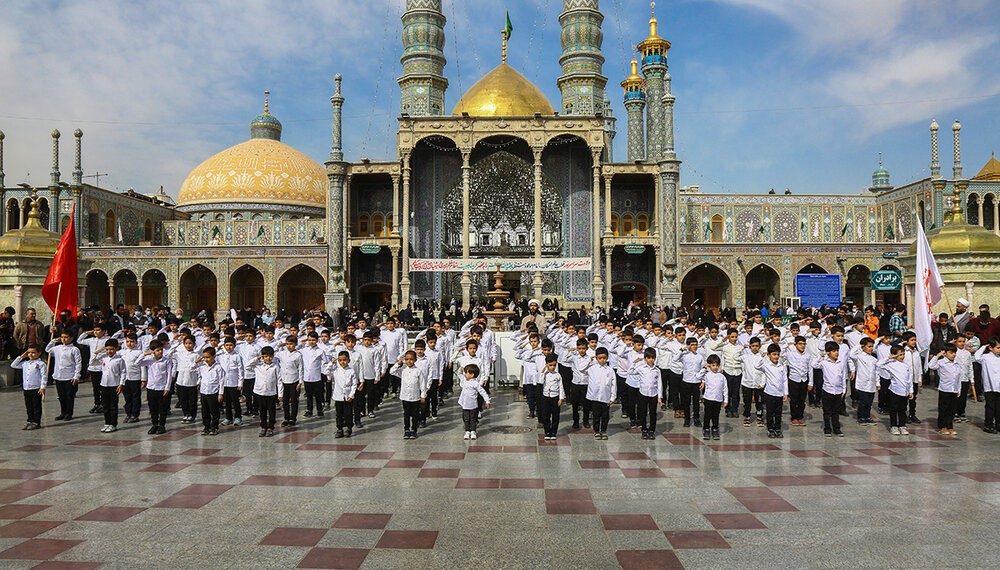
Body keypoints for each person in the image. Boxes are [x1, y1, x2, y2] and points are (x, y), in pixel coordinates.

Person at [811, 341, 851, 437]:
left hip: (838, 391)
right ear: (828, 352)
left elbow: (843, 377)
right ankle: (827, 429)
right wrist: (821, 355)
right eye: (833, 351)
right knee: (827, 411)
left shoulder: (840, 363)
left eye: (837, 350)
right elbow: (813, 364)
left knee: (835, 411)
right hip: (827, 391)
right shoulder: (824, 363)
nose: (836, 353)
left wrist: (844, 390)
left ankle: (836, 428)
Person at [45, 330, 82, 422]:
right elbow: (47, 349)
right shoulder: (58, 348)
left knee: (69, 396)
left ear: (71, 338)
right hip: (59, 375)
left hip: (70, 376)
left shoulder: (74, 349)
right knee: (61, 396)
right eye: (62, 337)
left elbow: (78, 363)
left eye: (66, 337)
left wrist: (77, 375)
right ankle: (63, 412)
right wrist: (53, 341)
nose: (63, 339)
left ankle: (69, 413)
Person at [877, 344, 915, 435]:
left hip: (904, 392)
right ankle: (893, 426)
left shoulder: (906, 366)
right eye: (900, 354)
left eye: (903, 354)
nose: (902, 356)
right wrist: (889, 358)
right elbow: (878, 364)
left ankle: (902, 425)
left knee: (903, 409)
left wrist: (911, 391)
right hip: (894, 391)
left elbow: (909, 379)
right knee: (893, 409)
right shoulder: (890, 364)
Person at [138, 339, 174, 434]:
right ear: (153, 351)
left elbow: (169, 375)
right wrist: (145, 354)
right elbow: (137, 363)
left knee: (162, 408)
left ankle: (162, 425)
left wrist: (167, 387)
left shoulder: (167, 360)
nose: (160, 352)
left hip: (162, 388)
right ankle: (154, 425)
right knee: (152, 408)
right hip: (151, 387)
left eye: (161, 349)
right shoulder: (149, 360)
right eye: (157, 350)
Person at [390, 350, 427, 440]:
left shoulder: (418, 371)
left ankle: (414, 430)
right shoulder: (403, 370)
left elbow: (422, 383)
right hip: (405, 396)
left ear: (415, 360)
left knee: (415, 414)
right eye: (407, 359)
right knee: (406, 414)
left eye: (411, 359)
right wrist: (398, 363)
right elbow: (392, 371)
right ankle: (406, 429)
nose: (409, 361)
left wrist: (423, 395)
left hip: (415, 397)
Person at [11, 344, 46, 430]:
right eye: (29, 352)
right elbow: (13, 365)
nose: (31, 354)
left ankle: (36, 422)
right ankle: (29, 420)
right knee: (28, 406)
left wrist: (42, 387)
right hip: (26, 388)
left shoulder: (40, 364)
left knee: (36, 406)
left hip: (36, 388)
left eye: (33, 352)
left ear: (39, 353)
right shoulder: (25, 363)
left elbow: (44, 376)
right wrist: (22, 356)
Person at [929, 344, 962, 436]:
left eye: (955, 352)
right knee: (943, 409)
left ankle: (949, 426)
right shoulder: (941, 362)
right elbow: (931, 365)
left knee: (951, 410)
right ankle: (942, 426)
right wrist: (938, 355)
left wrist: (959, 389)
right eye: (951, 353)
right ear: (945, 353)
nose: (953, 354)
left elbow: (958, 377)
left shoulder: (956, 363)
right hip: (945, 389)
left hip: (954, 390)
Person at [78, 324, 111, 414]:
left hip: (102, 367)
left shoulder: (107, 340)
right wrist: (86, 332)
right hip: (93, 367)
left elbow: (110, 349)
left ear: (104, 331)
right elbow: (79, 341)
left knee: (102, 387)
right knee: (95, 387)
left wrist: (99, 354)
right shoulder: (92, 340)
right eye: (95, 330)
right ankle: (97, 404)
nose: (96, 332)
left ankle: (104, 404)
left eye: (98, 330)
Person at [674, 337, 705, 428]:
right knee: (686, 402)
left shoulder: (700, 356)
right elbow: (674, 359)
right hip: (686, 381)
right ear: (688, 346)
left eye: (696, 344)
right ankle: (687, 419)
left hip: (696, 381)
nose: (694, 346)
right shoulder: (684, 355)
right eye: (692, 345)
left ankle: (696, 418)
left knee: (696, 402)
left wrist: (703, 381)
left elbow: (703, 368)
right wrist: (681, 350)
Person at [585, 347, 616, 440]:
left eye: (604, 358)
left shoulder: (610, 370)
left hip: (606, 396)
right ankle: (596, 431)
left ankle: (603, 430)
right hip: (595, 396)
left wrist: (613, 396)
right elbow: (581, 369)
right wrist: (589, 360)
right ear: (596, 358)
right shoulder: (592, 369)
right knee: (596, 415)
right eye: (600, 358)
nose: (602, 360)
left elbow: (614, 384)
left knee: (605, 415)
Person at [98, 339, 127, 433]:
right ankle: (107, 423)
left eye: (111, 349)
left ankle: (113, 424)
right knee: (105, 405)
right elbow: (94, 356)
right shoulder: (104, 358)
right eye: (107, 349)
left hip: (114, 385)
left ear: (116, 349)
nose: (109, 351)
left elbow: (123, 372)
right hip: (104, 384)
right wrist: (101, 351)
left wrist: (121, 384)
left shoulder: (119, 360)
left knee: (113, 406)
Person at [696, 354, 728, 440]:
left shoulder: (722, 376)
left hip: (718, 399)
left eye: (717, 365)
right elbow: (698, 376)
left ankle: (715, 429)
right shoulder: (706, 375)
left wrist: (726, 400)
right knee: (707, 415)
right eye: (713, 365)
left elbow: (725, 388)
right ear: (709, 365)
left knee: (716, 415)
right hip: (708, 398)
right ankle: (706, 429)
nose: (715, 367)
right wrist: (704, 368)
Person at [172, 334, 201, 424]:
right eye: (186, 343)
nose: (188, 345)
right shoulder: (180, 354)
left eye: (190, 343)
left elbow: (199, 369)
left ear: (194, 344)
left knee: (192, 400)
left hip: (192, 381)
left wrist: (199, 381)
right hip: (181, 381)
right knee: (183, 399)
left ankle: (192, 415)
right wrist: (177, 342)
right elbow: (169, 353)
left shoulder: (196, 355)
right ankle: (186, 414)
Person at [218, 337, 246, 427]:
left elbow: (240, 370)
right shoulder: (220, 356)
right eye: (227, 345)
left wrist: (240, 383)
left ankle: (238, 417)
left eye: (231, 345)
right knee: (227, 401)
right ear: (224, 345)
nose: (229, 347)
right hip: (224, 382)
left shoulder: (237, 356)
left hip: (234, 383)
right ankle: (228, 417)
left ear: (234, 346)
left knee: (235, 401)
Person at [850, 337, 879, 425]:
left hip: (872, 384)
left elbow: (876, 372)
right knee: (863, 402)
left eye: (872, 346)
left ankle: (867, 417)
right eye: (869, 346)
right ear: (863, 347)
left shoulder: (874, 359)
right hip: (862, 384)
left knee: (869, 402)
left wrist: (877, 383)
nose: (871, 348)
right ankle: (861, 417)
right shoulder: (859, 356)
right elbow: (851, 354)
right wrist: (860, 345)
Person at [635, 348, 662, 440]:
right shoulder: (641, 368)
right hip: (643, 393)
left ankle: (652, 430)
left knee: (653, 413)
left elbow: (659, 384)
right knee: (643, 412)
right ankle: (644, 429)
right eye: (648, 357)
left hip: (653, 394)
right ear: (645, 358)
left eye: (653, 358)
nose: (651, 359)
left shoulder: (657, 370)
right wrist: (635, 363)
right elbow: (631, 372)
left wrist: (660, 397)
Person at [277, 336, 304, 427]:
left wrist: (300, 382)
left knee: (294, 400)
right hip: (284, 380)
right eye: (287, 344)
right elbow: (272, 352)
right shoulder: (281, 353)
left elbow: (300, 368)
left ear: (295, 344)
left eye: (291, 344)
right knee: (285, 401)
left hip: (294, 380)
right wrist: (280, 345)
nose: (289, 346)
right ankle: (286, 418)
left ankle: (293, 418)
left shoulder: (298, 355)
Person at [459, 363, 491, 440]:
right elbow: (460, 376)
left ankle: (473, 431)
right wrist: (460, 371)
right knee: (466, 419)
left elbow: (482, 392)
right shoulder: (465, 381)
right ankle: (467, 431)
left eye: (466, 373)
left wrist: (487, 401)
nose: (465, 374)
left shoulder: (475, 383)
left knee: (473, 419)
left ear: (472, 374)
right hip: (465, 405)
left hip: (473, 405)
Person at [329, 350, 358, 438]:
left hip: (348, 396)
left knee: (348, 413)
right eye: (340, 360)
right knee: (339, 414)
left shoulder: (351, 371)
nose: (342, 362)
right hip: (338, 396)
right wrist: (331, 363)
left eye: (344, 360)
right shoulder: (336, 370)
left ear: (348, 360)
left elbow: (354, 384)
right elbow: (326, 371)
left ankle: (348, 428)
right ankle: (340, 428)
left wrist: (351, 395)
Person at [197, 346, 224, 436]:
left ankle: (214, 427)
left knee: (214, 411)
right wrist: (197, 362)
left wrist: (220, 393)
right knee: (205, 411)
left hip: (213, 392)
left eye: (208, 357)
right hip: (204, 392)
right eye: (204, 357)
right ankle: (206, 427)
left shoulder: (218, 367)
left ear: (214, 356)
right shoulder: (202, 367)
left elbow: (221, 381)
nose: (206, 359)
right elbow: (194, 371)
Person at [784, 336, 810, 427]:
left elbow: (810, 369)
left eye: (804, 344)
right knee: (794, 400)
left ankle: (800, 416)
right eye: (800, 344)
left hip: (804, 379)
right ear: (795, 345)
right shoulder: (790, 354)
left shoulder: (807, 355)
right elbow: (781, 352)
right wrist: (787, 345)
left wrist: (810, 383)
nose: (802, 346)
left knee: (802, 400)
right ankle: (794, 417)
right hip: (793, 379)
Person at [254, 346, 280, 437]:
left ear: (273, 357)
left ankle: (271, 427)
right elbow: (247, 365)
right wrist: (257, 358)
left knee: (271, 411)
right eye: (265, 356)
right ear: (262, 357)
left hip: (271, 392)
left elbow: (279, 380)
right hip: (260, 392)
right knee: (262, 411)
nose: (267, 358)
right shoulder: (258, 366)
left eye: (269, 356)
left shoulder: (275, 367)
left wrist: (280, 394)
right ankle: (263, 427)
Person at [975, 339, 1000, 434]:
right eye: (998, 348)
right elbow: (977, 357)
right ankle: (988, 425)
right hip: (989, 387)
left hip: (998, 386)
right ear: (990, 347)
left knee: (998, 407)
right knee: (990, 406)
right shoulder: (985, 357)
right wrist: (983, 347)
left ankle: (998, 424)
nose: (999, 350)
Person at [538, 354, 565, 440]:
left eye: (554, 365)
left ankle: (554, 432)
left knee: (555, 416)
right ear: (547, 364)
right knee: (546, 415)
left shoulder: (558, 375)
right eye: (550, 365)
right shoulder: (544, 374)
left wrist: (561, 398)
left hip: (555, 397)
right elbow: (540, 381)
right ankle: (547, 431)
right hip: (546, 397)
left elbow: (561, 387)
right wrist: (544, 370)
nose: (552, 367)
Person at [300, 332, 327, 418]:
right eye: (309, 340)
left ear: (317, 340)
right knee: (309, 395)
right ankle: (309, 410)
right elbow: (296, 349)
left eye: (313, 340)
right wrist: (301, 342)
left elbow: (326, 361)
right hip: (307, 377)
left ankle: (319, 410)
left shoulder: (320, 351)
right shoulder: (304, 350)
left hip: (317, 377)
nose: (311, 342)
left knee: (318, 395)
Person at [740, 337, 765, 427]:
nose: (755, 348)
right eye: (753, 346)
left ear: (760, 346)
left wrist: (762, 383)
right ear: (750, 346)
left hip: (758, 384)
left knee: (759, 402)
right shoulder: (745, 356)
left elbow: (764, 372)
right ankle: (747, 416)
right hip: (747, 383)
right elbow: (735, 357)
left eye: (757, 346)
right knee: (747, 401)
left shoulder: (763, 357)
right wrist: (743, 347)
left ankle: (759, 416)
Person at [120, 334, 145, 424]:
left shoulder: (139, 352)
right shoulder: (122, 352)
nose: (129, 343)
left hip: (135, 378)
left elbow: (142, 366)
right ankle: (128, 413)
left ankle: (135, 414)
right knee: (127, 397)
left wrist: (143, 379)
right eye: (127, 341)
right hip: (125, 378)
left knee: (136, 397)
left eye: (132, 342)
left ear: (136, 343)